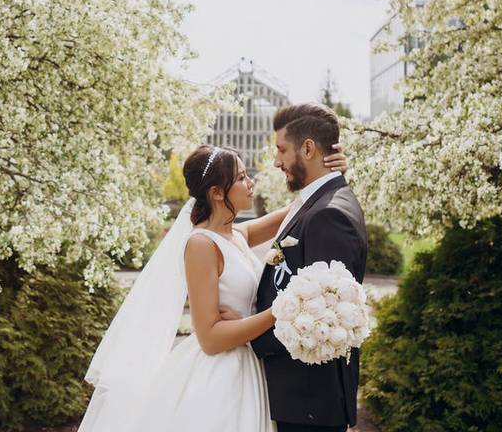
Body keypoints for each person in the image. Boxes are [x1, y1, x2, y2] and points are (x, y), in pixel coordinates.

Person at [79, 141, 348, 432]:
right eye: (242, 178)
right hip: (220, 376)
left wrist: (329, 175)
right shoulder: (201, 245)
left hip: (248, 365)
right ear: (217, 193)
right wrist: (279, 312)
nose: (250, 183)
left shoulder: (236, 234)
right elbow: (209, 339)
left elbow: (298, 208)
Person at [251, 103, 367, 432]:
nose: (276, 161)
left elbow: (325, 320)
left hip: (309, 400)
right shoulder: (319, 202)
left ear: (308, 148)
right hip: (301, 398)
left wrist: (246, 339)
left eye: (281, 149)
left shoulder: (328, 215)